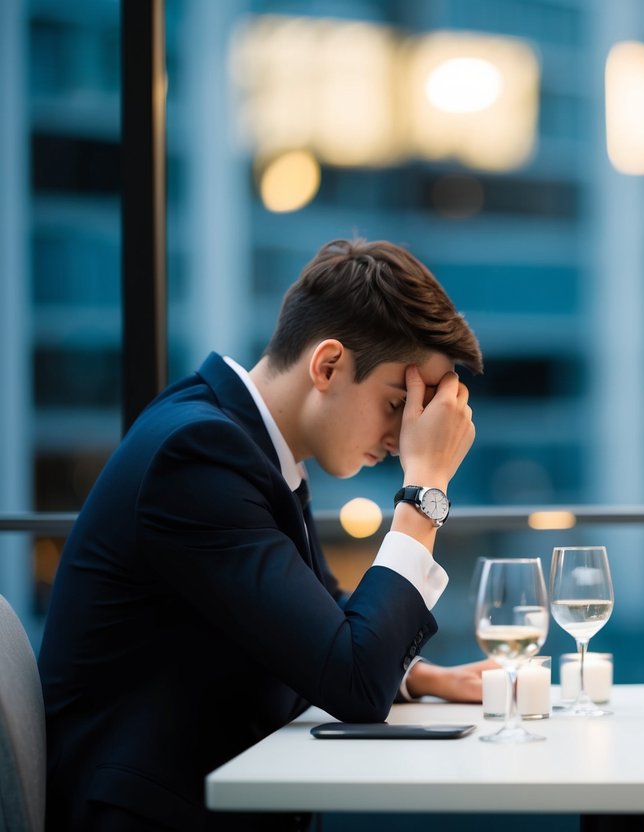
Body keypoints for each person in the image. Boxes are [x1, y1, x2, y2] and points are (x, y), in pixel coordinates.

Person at [39, 238, 493, 831]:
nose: (403, 436)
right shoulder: (198, 455)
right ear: (327, 365)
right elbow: (353, 683)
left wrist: (425, 677)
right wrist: (425, 488)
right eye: (397, 403)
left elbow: (320, 618)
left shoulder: (241, 440)